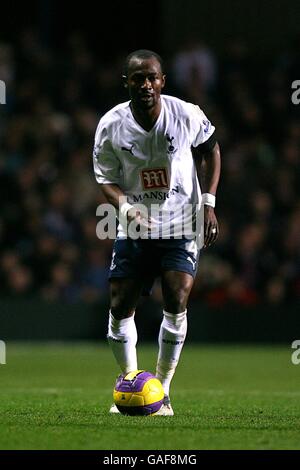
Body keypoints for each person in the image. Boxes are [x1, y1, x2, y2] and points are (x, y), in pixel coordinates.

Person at [93, 49, 221, 415]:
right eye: (138, 78)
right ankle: (132, 382)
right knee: (120, 305)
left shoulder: (186, 114)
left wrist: (209, 202)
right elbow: (105, 179)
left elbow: (212, 150)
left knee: (177, 297)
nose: (146, 84)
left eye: (152, 77)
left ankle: (161, 392)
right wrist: (125, 206)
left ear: (163, 81)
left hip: (181, 222)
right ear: (127, 82)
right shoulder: (111, 125)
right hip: (135, 225)